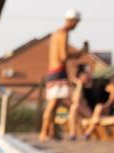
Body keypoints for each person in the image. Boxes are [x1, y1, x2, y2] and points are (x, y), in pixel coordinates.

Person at [40, 8, 82, 142]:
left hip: (53, 71)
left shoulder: (56, 33)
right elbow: (63, 56)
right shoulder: (64, 34)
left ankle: (51, 132)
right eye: (76, 22)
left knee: (55, 104)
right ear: (72, 21)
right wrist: (79, 53)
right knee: (52, 105)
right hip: (58, 71)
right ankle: (43, 132)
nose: (76, 25)